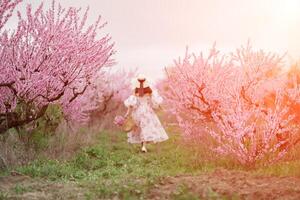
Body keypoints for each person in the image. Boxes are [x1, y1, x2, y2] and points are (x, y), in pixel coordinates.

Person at [124, 74, 168, 152]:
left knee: (140, 128)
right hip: (147, 111)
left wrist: (128, 113)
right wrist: (161, 108)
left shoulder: (135, 91)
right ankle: (144, 146)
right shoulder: (149, 91)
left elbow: (131, 104)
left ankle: (143, 146)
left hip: (137, 112)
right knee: (147, 127)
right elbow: (155, 102)